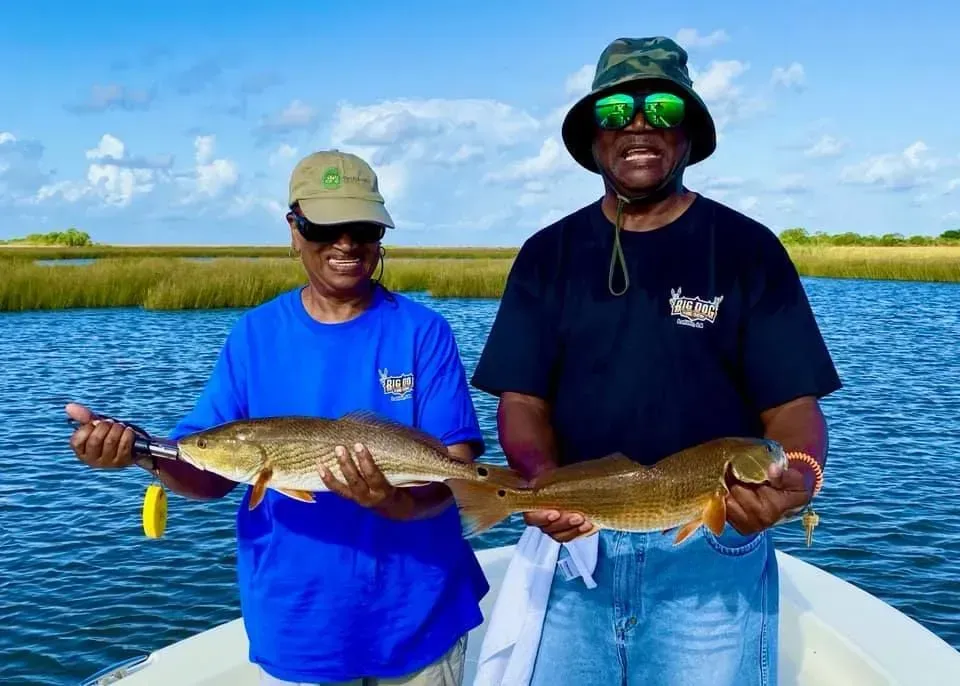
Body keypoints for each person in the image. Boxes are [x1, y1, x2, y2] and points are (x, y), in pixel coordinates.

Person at [470, 36, 842, 686]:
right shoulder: (546, 255)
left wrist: (800, 478)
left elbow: (792, 407)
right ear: (593, 139)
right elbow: (523, 403)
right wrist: (544, 481)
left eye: (662, 107)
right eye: (615, 112)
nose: (639, 124)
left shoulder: (748, 250)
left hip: (711, 549)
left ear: (689, 135)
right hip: (575, 552)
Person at [66, 149, 490, 686]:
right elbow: (206, 470)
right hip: (297, 622)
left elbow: (457, 470)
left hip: (419, 616)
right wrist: (141, 452)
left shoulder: (423, 331)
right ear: (294, 229)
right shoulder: (254, 335)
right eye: (324, 226)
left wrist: (394, 500)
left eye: (362, 227)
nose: (346, 243)